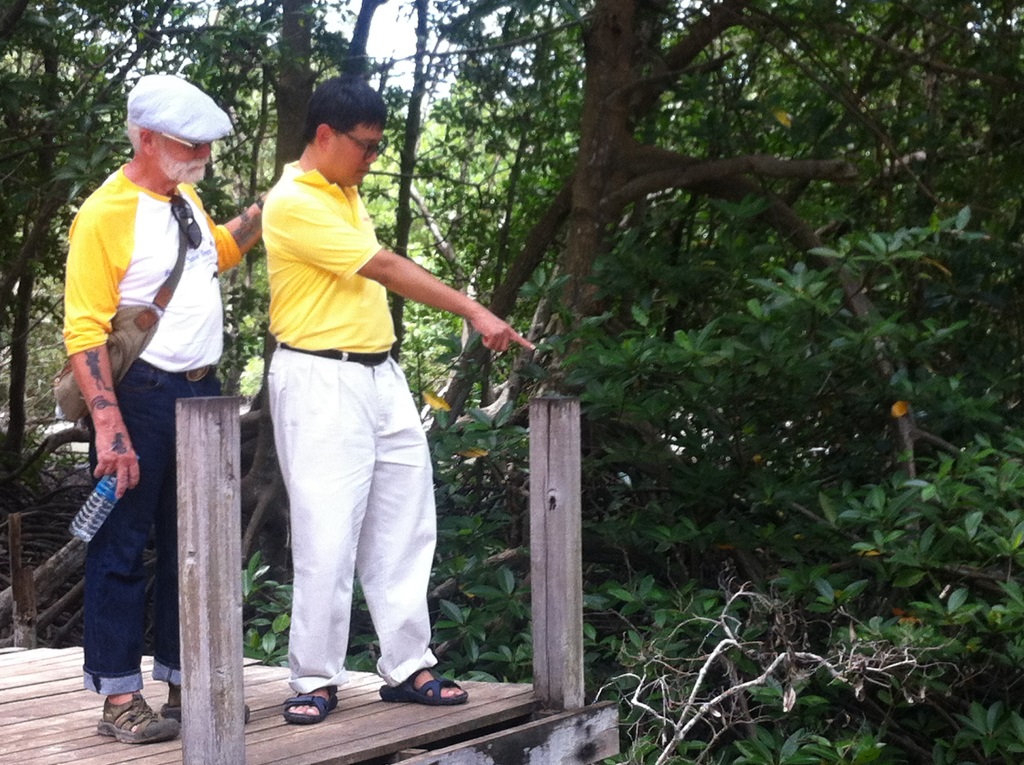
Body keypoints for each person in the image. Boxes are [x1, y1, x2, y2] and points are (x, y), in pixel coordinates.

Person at [262, 75, 534, 724]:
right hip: (319, 379)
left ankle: (407, 664)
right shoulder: (294, 200)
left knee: (407, 519)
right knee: (328, 529)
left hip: (379, 375)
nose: (373, 159)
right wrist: (474, 310)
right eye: (365, 146)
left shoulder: (344, 189)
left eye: (379, 147)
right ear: (324, 136)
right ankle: (315, 677)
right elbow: (382, 266)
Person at [62, 73, 264, 744]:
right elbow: (84, 329)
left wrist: (264, 213)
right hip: (140, 395)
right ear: (145, 138)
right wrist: (109, 425)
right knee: (120, 544)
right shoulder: (105, 212)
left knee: (194, 544)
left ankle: (185, 682)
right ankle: (120, 699)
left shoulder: (184, 200)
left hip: (202, 396)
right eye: (189, 143)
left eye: (205, 144)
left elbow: (215, 256)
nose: (203, 154)